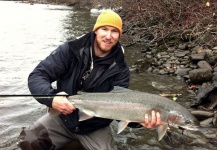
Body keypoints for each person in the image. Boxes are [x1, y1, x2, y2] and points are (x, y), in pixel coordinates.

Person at [18, 9, 161, 150]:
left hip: (95, 126)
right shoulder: (70, 50)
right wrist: (52, 98)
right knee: (28, 141)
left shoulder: (121, 68)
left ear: (119, 35)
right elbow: (37, 76)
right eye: (104, 29)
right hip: (63, 118)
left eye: (114, 31)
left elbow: (122, 109)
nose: (109, 36)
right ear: (96, 31)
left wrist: (140, 121)